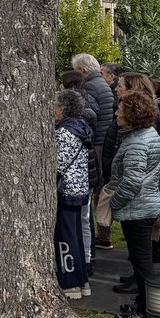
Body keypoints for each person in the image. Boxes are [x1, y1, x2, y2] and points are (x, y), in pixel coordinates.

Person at [109, 92, 160, 318]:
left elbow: (132, 181)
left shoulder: (137, 142)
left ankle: (147, 312)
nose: (116, 113)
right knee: (142, 261)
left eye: (120, 110)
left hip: (138, 208)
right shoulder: (146, 135)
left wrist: (113, 203)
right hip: (143, 206)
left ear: (132, 115)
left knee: (142, 265)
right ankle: (144, 305)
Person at [54, 89, 93, 300]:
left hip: (67, 190)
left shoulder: (64, 132)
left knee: (65, 237)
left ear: (63, 108)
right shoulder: (80, 128)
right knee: (75, 235)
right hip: (78, 188)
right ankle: (81, 280)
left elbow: (57, 163)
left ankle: (70, 283)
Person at [72, 53, 114, 247]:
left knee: (93, 189)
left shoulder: (89, 87)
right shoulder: (103, 84)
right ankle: (104, 234)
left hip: (96, 141)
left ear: (82, 70)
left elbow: (90, 116)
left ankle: (101, 234)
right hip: (105, 139)